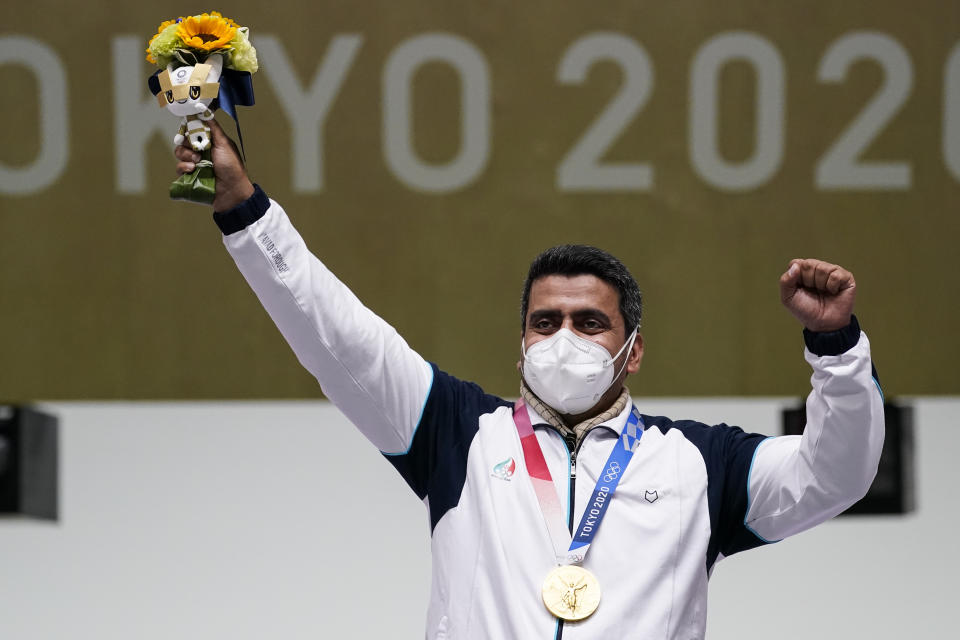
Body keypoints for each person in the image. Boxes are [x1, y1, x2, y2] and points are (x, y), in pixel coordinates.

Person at [174, 121, 885, 639]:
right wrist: (244, 211)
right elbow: (337, 338)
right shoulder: (456, 433)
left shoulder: (700, 465)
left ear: (632, 351)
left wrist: (835, 345)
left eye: (589, 323)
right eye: (545, 324)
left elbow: (836, 472)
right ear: (520, 345)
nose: (564, 339)